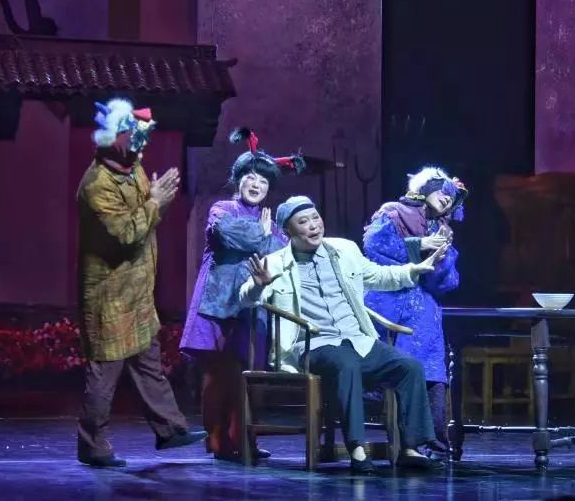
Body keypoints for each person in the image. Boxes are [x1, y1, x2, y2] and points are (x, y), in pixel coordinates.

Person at [240, 196, 449, 473]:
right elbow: (246, 298)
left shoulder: (345, 249)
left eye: (315, 218)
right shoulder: (275, 263)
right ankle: (358, 449)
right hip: (313, 344)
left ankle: (410, 448)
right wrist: (257, 286)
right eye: (303, 222)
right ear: (288, 230)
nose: (313, 225)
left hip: (357, 339)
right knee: (345, 363)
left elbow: (378, 276)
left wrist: (414, 269)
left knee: (409, 366)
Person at [76, 98, 205, 467]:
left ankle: (170, 429)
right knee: (105, 372)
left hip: (137, 290)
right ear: (114, 138)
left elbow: (145, 218)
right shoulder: (97, 184)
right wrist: (155, 202)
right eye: (133, 136)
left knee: (148, 361)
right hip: (110, 295)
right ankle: (91, 444)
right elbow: (126, 232)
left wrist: (155, 199)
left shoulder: (132, 168)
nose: (141, 144)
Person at [180, 127, 302, 460]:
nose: (255, 184)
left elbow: (280, 252)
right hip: (219, 303)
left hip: (253, 307)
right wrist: (261, 236)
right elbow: (228, 234)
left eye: (262, 181)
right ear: (238, 180)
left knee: (249, 374)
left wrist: (265, 237)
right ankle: (217, 438)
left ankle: (244, 437)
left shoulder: (269, 221)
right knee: (219, 373)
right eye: (250, 177)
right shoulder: (222, 208)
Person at [362, 167, 467, 458]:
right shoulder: (393, 213)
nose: (447, 199)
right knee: (388, 365)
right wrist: (418, 245)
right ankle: (389, 432)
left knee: (432, 370)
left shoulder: (442, 231)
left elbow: (447, 282)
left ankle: (434, 443)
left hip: (423, 309)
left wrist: (440, 259)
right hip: (388, 299)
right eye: (443, 192)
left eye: (452, 198)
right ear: (426, 188)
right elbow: (373, 248)